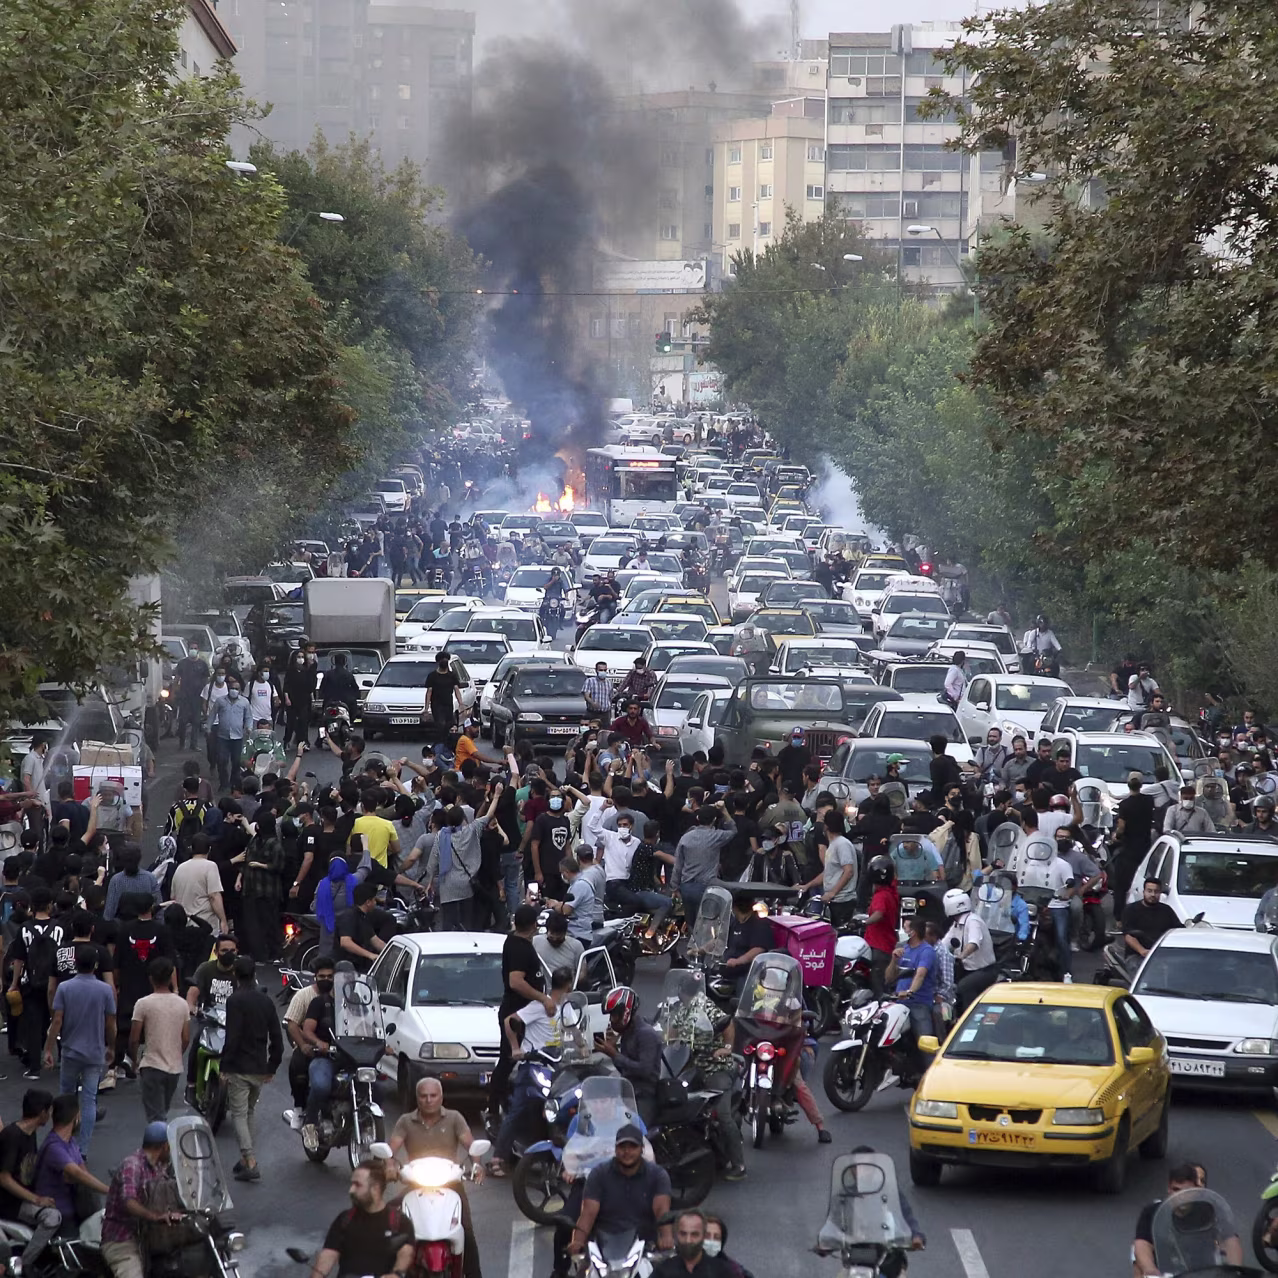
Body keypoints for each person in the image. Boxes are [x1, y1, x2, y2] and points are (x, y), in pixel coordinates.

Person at [385, 1077, 482, 1278]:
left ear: (441, 1097)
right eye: (423, 1096)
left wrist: (477, 1164)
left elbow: (470, 1145)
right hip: (416, 1184)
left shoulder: (454, 1118)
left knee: (466, 1231)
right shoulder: (406, 1121)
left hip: (451, 1184)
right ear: (417, 1098)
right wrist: (389, 1165)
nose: (428, 1100)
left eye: (433, 1095)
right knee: (387, 1220)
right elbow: (390, 1149)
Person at [491, 967, 574, 1176]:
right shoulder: (539, 1006)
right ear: (569, 986)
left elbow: (574, 1031)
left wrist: (582, 1047)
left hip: (557, 1066)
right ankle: (497, 1158)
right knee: (518, 1109)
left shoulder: (567, 1008)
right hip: (534, 1065)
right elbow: (509, 1021)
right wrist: (516, 1048)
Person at [43, 947, 115, 1155]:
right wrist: (111, 1046)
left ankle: (63, 1139)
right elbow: (110, 1023)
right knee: (89, 1099)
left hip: (70, 1051)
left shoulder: (65, 988)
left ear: (75, 963)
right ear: (95, 965)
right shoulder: (105, 990)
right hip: (94, 1052)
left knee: (66, 1095)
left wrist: (48, 1049)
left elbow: (57, 1021)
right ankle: (82, 1148)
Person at [221, 955, 283, 1182]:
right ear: (254, 973)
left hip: (239, 1067)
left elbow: (233, 1036)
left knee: (238, 1114)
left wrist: (225, 1065)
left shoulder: (234, 1001)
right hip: (259, 1067)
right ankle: (246, 1158)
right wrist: (272, 1065)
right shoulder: (266, 1001)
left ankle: (250, 1161)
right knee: (248, 1112)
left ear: (235, 974)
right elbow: (277, 1037)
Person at [568, 1124, 673, 1258]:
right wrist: (577, 1242)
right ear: (615, 1149)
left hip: (644, 1247)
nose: (627, 1152)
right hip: (604, 1246)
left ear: (642, 1149)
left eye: (633, 1147)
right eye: (622, 1147)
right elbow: (588, 1214)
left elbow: (662, 1212)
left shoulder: (658, 1175)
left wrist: (666, 1237)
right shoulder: (598, 1174)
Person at [101, 1121, 185, 1278]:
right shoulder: (132, 1165)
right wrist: (155, 1216)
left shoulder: (159, 1168)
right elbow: (128, 1202)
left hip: (152, 1237)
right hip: (123, 1239)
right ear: (165, 1146)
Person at [491, 905, 554, 1104]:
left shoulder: (515, 940)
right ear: (534, 925)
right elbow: (516, 982)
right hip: (517, 1012)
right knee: (508, 1060)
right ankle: (494, 1107)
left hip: (528, 1013)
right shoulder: (520, 948)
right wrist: (542, 998)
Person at [310, 1160, 415, 1278]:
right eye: (352, 1184)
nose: (351, 1190)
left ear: (375, 1189)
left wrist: (396, 1274)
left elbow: (405, 1253)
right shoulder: (344, 1220)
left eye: (357, 1185)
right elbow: (328, 1255)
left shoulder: (399, 1222)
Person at [1132, 1164, 1236, 1278]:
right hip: (1166, 1274)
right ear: (1169, 1189)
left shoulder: (1209, 1211)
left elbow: (1230, 1239)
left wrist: (1235, 1270)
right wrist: (1150, 1269)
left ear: (1195, 1191)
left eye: (1187, 1191)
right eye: (1176, 1189)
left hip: (1204, 1273)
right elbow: (1143, 1243)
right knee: (1138, 1265)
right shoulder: (1152, 1212)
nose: (1181, 1196)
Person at [0, 1089, 59, 1271]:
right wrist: (36, 1199)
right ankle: (24, 1264)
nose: (50, 1116)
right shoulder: (12, 1136)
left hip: (20, 1198)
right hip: (8, 1202)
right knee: (52, 1218)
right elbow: (4, 1178)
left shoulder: (29, 1133)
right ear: (42, 1112)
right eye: (49, 1111)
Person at [32, 1093, 109, 1227]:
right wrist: (109, 1191)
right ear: (76, 1117)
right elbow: (78, 1174)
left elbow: (83, 1173)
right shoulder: (54, 1148)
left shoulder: (71, 1142)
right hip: (59, 1213)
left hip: (76, 1210)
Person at [129, 957, 189, 1124]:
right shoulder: (182, 1004)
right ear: (171, 978)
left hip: (151, 1065)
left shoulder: (143, 1004)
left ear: (151, 978)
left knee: (155, 1117)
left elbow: (134, 1038)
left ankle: (160, 1140)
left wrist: (135, 1060)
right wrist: (177, 1053)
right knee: (163, 1111)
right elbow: (185, 1038)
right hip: (174, 1068)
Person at [595, 987, 662, 1127]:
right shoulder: (628, 1033)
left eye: (614, 1015)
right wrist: (612, 1051)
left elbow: (644, 1070)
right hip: (628, 1091)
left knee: (636, 1131)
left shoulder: (646, 1034)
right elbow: (626, 1069)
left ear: (625, 1012)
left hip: (644, 1095)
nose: (611, 1020)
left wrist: (614, 1054)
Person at [886, 915, 937, 1073]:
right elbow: (889, 978)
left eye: (905, 928)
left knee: (926, 1045)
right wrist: (894, 960)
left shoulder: (927, 952)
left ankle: (931, 1076)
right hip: (898, 1003)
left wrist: (909, 992)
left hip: (918, 1003)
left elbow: (920, 975)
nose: (902, 931)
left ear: (913, 932)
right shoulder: (903, 949)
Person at [941, 888, 997, 1014]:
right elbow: (944, 944)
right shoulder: (957, 925)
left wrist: (961, 956)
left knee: (965, 986)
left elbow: (974, 943)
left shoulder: (973, 921)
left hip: (985, 970)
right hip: (966, 970)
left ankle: (971, 1017)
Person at [169, 832, 228, 933]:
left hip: (184, 924)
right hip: (204, 923)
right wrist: (223, 920)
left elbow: (173, 897)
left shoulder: (180, 868)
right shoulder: (210, 866)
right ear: (209, 849)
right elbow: (214, 896)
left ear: (192, 848)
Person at [653, 1209, 729, 1278]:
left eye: (694, 1234)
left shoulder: (721, 1271)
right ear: (676, 1235)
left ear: (703, 1235)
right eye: (683, 1234)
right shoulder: (663, 1271)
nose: (688, 1240)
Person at [207, 680, 253, 790]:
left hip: (237, 737)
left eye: (236, 689)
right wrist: (208, 728)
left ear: (240, 691)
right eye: (232, 688)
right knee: (222, 760)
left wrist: (249, 727)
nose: (234, 690)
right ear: (228, 689)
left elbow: (248, 717)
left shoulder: (244, 702)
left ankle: (234, 782)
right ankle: (223, 783)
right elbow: (212, 715)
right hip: (222, 736)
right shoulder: (220, 701)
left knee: (236, 761)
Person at [1121, 878, 1182, 960]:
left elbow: (1178, 930)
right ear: (1144, 892)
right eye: (1149, 891)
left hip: (1162, 954)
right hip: (1137, 955)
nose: (1153, 894)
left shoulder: (1167, 910)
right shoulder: (1131, 910)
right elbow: (1128, 936)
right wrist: (1142, 951)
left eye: (1156, 891)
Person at [533, 911, 585, 984]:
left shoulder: (576, 945)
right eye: (552, 935)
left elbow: (582, 972)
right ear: (547, 931)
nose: (555, 939)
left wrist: (571, 985)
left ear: (565, 933)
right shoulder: (535, 941)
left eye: (559, 937)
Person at [424, 652, 465, 741]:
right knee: (440, 724)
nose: (444, 661)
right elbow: (429, 692)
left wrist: (461, 703)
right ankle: (440, 742)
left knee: (449, 725)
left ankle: (446, 742)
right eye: (442, 660)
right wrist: (426, 709)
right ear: (438, 662)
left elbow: (456, 689)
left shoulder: (452, 675)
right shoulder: (432, 676)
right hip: (437, 705)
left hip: (448, 704)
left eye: (446, 660)